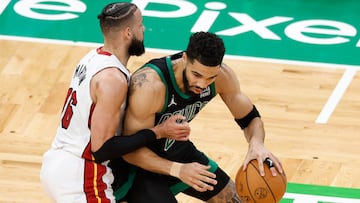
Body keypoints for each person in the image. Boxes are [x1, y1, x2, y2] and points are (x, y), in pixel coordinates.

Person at [39, 2, 192, 202]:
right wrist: (158, 132)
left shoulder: (91, 58)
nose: (143, 29)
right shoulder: (113, 79)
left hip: (58, 163)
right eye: (140, 25)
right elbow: (103, 149)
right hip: (83, 173)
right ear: (128, 33)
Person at [116, 31, 284, 202]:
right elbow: (130, 151)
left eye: (211, 77)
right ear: (184, 58)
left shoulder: (223, 77)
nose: (202, 84)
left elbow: (250, 119)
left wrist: (256, 143)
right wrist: (178, 170)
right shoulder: (150, 85)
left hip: (177, 151)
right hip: (138, 167)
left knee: (236, 200)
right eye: (196, 75)